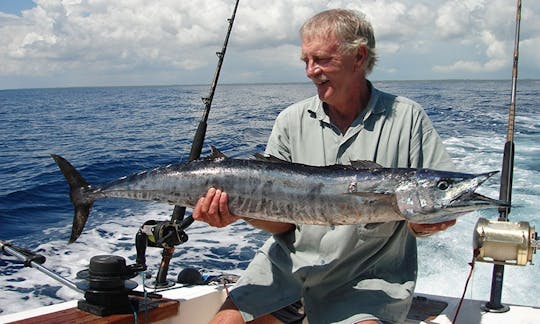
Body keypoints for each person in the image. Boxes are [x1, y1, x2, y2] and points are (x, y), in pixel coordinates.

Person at [193, 8, 456, 324]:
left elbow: (431, 208)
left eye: (321, 59)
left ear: (359, 57)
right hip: (288, 270)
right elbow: (283, 225)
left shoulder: (408, 118)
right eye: (305, 61)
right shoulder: (290, 120)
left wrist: (424, 224)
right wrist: (241, 210)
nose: (310, 70)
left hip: (366, 282)